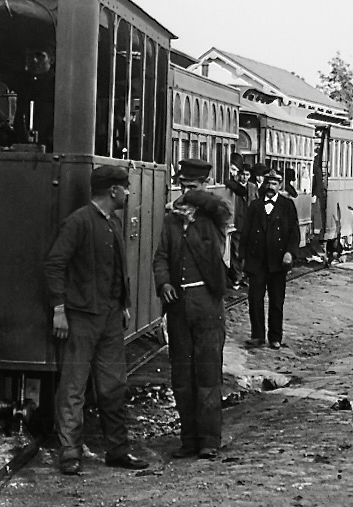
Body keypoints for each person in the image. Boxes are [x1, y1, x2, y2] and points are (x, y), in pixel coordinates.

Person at [43, 166, 148, 476]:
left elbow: (119, 269)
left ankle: (117, 450)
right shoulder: (77, 223)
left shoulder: (112, 222)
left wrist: (124, 305)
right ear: (112, 191)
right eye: (124, 188)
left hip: (110, 318)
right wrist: (60, 310)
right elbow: (54, 266)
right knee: (73, 387)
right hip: (82, 319)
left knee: (114, 386)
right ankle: (70, 452)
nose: (128, 193)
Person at [153, 159, 231, 460]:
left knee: (208, 374)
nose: (186, 192)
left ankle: (210, 440)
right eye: (183, 186)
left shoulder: (215, 217)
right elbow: (160, 256)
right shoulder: (172, 221)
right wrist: (163, 284)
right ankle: (188, 440)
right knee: (182, 377)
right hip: (178, 306)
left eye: (193, 187)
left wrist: (191, 199)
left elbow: (220, 208)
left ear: (205, 186)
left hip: (207, 304)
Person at [240, 169, 300, 350]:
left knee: (276, 302)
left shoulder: (287, 206)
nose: (270, 187)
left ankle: (275, 337)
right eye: (267, 183)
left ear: (280, 186)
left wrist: (290, 253)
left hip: (277, 262)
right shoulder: (255, 206)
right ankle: (257, 335)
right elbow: (245, 232)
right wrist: (242, 257)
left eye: (274, 184)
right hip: (257, 261)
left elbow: (294, 233)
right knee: (255, 299)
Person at [225, 154, 248, 289]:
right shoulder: (228, 179)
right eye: (231, 169)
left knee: (238, 251)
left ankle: (237, 276)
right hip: (235, 221)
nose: (232, 172)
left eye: (235, 170)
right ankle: (236, 277)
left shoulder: (236, 183)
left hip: (239, 221)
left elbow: (241, 191)